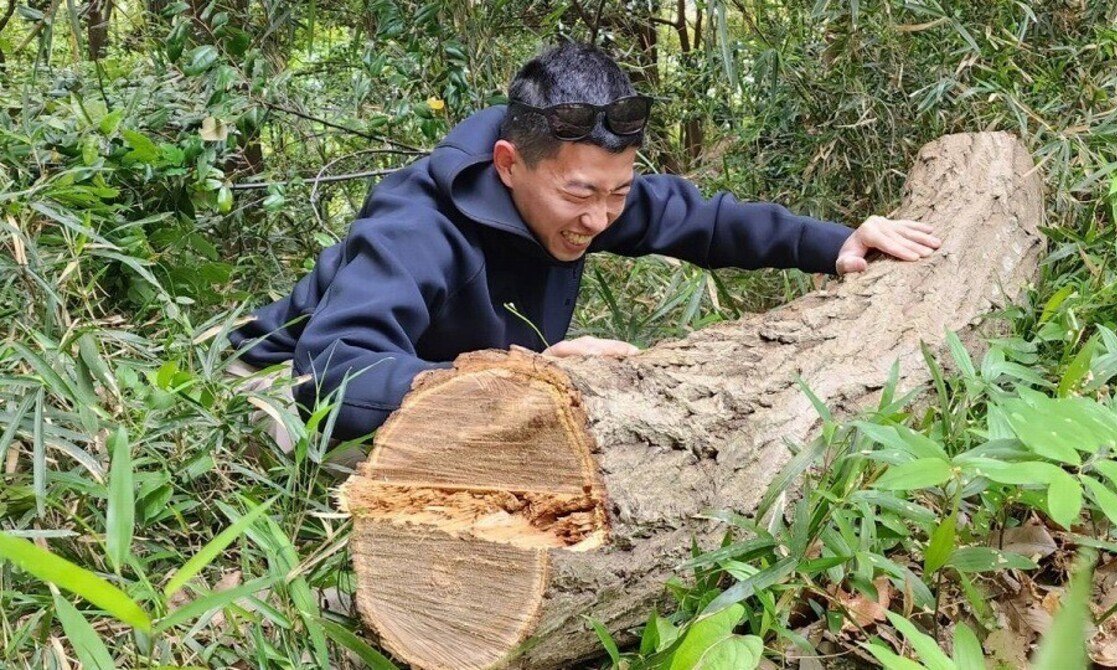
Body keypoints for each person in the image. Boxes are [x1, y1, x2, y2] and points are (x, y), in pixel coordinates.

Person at [229, 41, 941, 443]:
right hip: (271, 392)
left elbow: (704, 220)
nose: (601, 217)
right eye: (580, 195)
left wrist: (839, 242)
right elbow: (331, 374)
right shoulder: (416, 227)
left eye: (618, 193)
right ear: (510, 164)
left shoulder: (581, 196)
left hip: (428, 379)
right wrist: (508, 374)